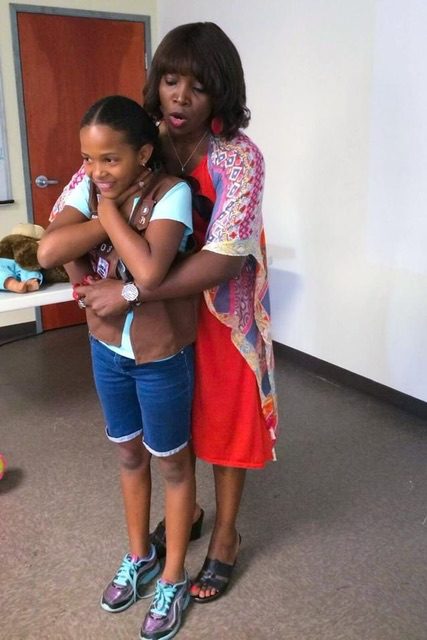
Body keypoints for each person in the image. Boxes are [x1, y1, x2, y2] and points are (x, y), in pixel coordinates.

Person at [49, 22, 278, 605]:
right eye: (171, 80)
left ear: (221, 93)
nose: (180, 96)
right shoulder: (131, 136)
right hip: (147, 318)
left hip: (219, 309)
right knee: (168, 426)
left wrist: (131, 292)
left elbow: (225, 258)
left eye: (198, 87)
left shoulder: (239, 158)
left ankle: (224, 537)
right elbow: (66, 220)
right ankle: (190, 512)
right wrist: (88, 284)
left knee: (224, 420)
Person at [38, 95, 197, 640]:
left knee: (172, 463)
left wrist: (105, 216)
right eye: (88, 158)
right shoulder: (87, 185)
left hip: (160, 356)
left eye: (109, 159)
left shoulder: (170, 193)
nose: (95, 171)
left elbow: (150, 271)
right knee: (128, 453)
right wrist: (99, 221)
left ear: (143, 154)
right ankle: (140, 555)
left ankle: (173, 576)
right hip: (106, 349)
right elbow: (47, 251)